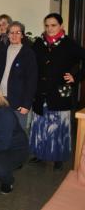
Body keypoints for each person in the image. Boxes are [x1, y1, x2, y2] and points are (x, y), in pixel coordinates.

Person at [29, 13, 85, 170]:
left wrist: (76, 77)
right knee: (40, 123)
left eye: (53, 25)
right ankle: (40, 155)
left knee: (59, 125)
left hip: (61, 90)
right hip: (41, 91)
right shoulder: (39, 43)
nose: (49, 28)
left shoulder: (69, 44)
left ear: (61, 26)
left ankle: (58, 157)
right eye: (47, 25)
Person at [0, 21, 37, 129]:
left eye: (17, 32)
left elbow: (32, 81)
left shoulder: (28, 54)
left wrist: (26, 104)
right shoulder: (1, 52)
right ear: (8, 34)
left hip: (18, 102)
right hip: (0, 99)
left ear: (22, 35)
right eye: (11, 32)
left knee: (17, 134)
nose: (14, 35)